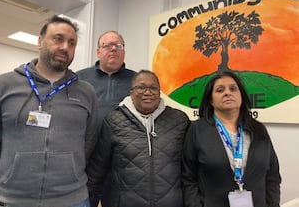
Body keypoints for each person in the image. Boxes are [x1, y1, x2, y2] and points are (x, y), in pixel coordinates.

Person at [0, 15, 100, 207]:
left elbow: (90, 141)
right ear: (40, 41)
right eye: (58, 38)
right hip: (13, 199)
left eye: (72, 43)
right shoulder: (4, 85)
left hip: (72, 199)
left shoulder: (86, 92)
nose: (65, 47)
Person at [87, 70, 190, 207]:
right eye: (141, 87)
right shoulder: (113, 120)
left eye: (153, 88)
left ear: (159, 92)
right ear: (131, 92)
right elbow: (97, 170)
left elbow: (190, 172)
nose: (147, 92)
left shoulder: (179, 121)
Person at [181, 71, 281, 207]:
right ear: (210, 100)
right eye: (220, 90)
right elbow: (188, 178)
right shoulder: (197, 130)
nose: (227, 93)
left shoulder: (258, 129)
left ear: (241, 95)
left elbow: (272, 176)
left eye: (233, 88)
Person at [77, 31, 136, 207]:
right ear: (98, 51)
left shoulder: (137, 79)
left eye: (118, 46)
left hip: (122, 160)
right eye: (107, 45)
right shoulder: (79, 78)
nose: (113, 49)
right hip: (87, 159)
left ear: (124, 51)